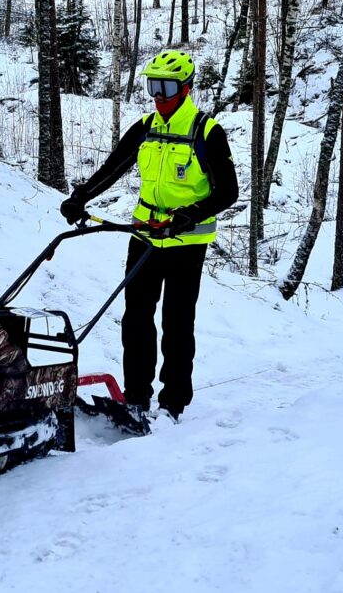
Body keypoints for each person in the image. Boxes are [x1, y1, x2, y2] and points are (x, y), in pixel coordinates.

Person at [59, 50, 239, 422]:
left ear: (186, 89)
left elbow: (228, 192)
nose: (158, 95)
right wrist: (81, 197)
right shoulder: (146, 127)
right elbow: (113, 167)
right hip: (143, 235)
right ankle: (135, 396)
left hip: (185, 245)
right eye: (152, 86)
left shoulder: (206, 132)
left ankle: (173, 402)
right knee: (136, 318)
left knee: (176, 322)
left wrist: (188, 217)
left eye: (167, 87)